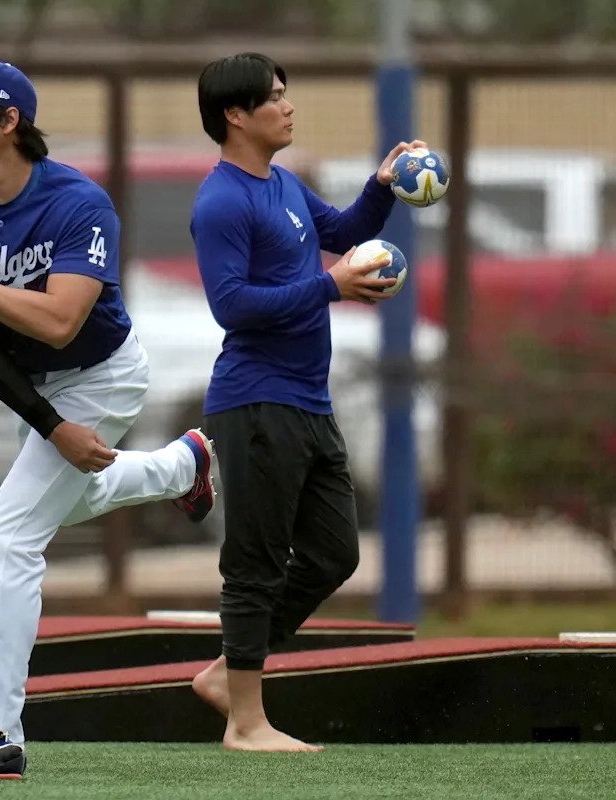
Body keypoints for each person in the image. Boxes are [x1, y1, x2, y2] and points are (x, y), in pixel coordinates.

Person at [0, 58, 217, 775]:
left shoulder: (77, 202)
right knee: (82, 492)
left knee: (9, 535)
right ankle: (185, 462)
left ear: (10, 122)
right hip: (42, 387)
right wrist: (50, 425)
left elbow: (63, 323)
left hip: (104, 373)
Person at [188, 52, 427, 752]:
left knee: (332, 555)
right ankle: (246, 722)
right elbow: (231, 306)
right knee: (255, 563)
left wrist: (382, 187)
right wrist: (332, 288)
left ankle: (223, 676)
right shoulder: (222, 200)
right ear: (237, 115)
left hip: (308, 405)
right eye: (275, 97)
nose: (289, 107)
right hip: (255, 402)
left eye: (287, 94)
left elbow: (347, 233)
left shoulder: (283, 185)